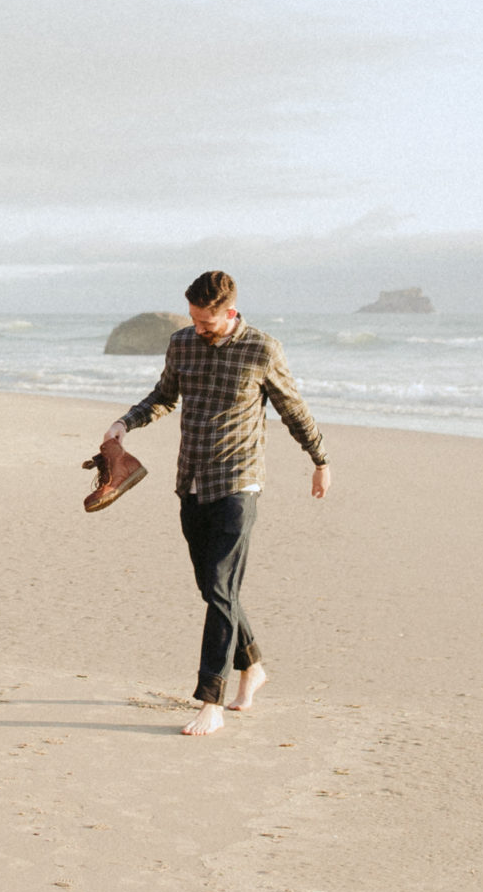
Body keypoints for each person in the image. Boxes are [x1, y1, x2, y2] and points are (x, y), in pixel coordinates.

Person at [101, 271, 331, 736]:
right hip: (191, 481)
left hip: (238, 484)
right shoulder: (182, 344)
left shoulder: (262, 350)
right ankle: (254, 666)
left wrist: (320, 458)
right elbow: (164, 397)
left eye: (205, 321)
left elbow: (293, 408)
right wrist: (125, 423)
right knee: (213, 588)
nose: (197, 327)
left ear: (230, 312)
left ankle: (212, 699)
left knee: (221, 585)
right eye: (193, 319)